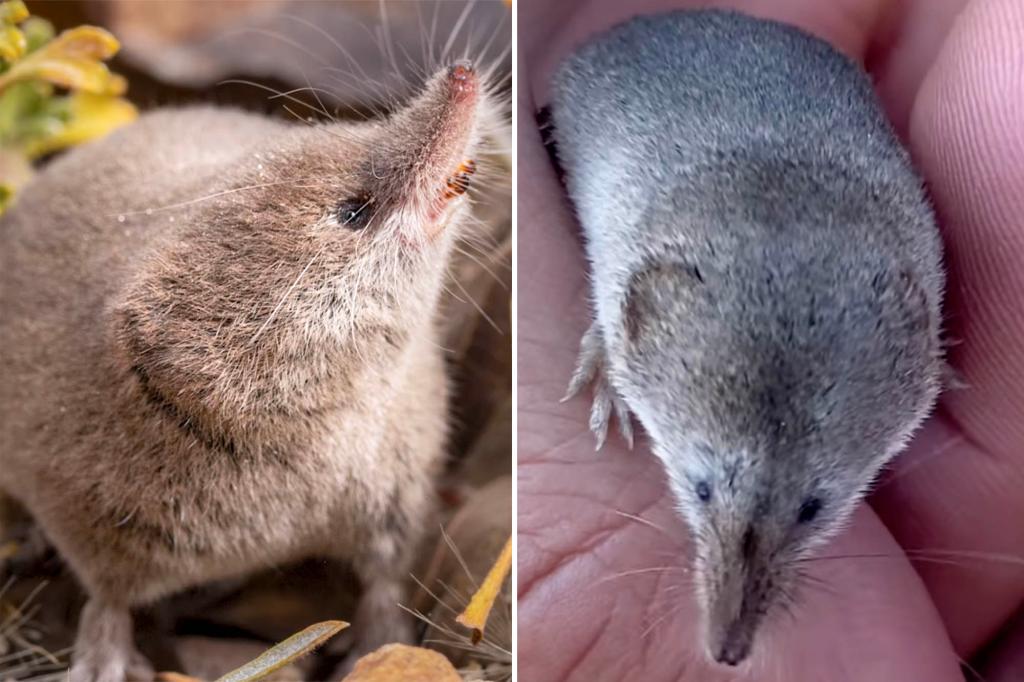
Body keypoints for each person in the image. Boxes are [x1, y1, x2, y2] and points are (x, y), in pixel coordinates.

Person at [516, 0, 1024, 679]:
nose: (735, 616)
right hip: (638, 86)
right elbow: (641, 284)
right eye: (703, 491)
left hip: (717, 97)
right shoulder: (653, 284)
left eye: (810, 510)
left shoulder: (897, 339)